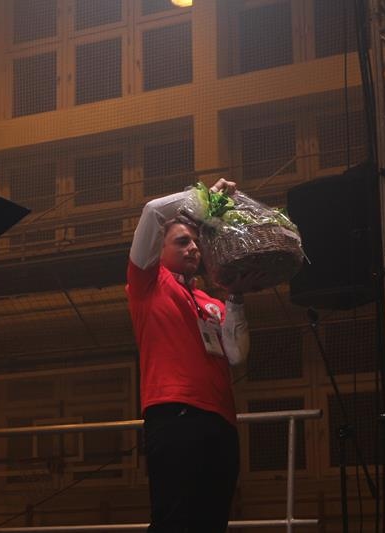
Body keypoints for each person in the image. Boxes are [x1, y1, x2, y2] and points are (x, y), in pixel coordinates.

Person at [126, 178, 258, 532]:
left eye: (196, 242)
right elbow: (152, 212)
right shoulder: (147, 283)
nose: (193, 248)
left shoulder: (211, 302)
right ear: (159, 250)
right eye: (182, 241)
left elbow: (236, 355)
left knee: (213, 522)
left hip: (222, 419)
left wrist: (236, 298)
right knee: (174, 520)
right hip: (175, 414)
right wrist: (203, 200)